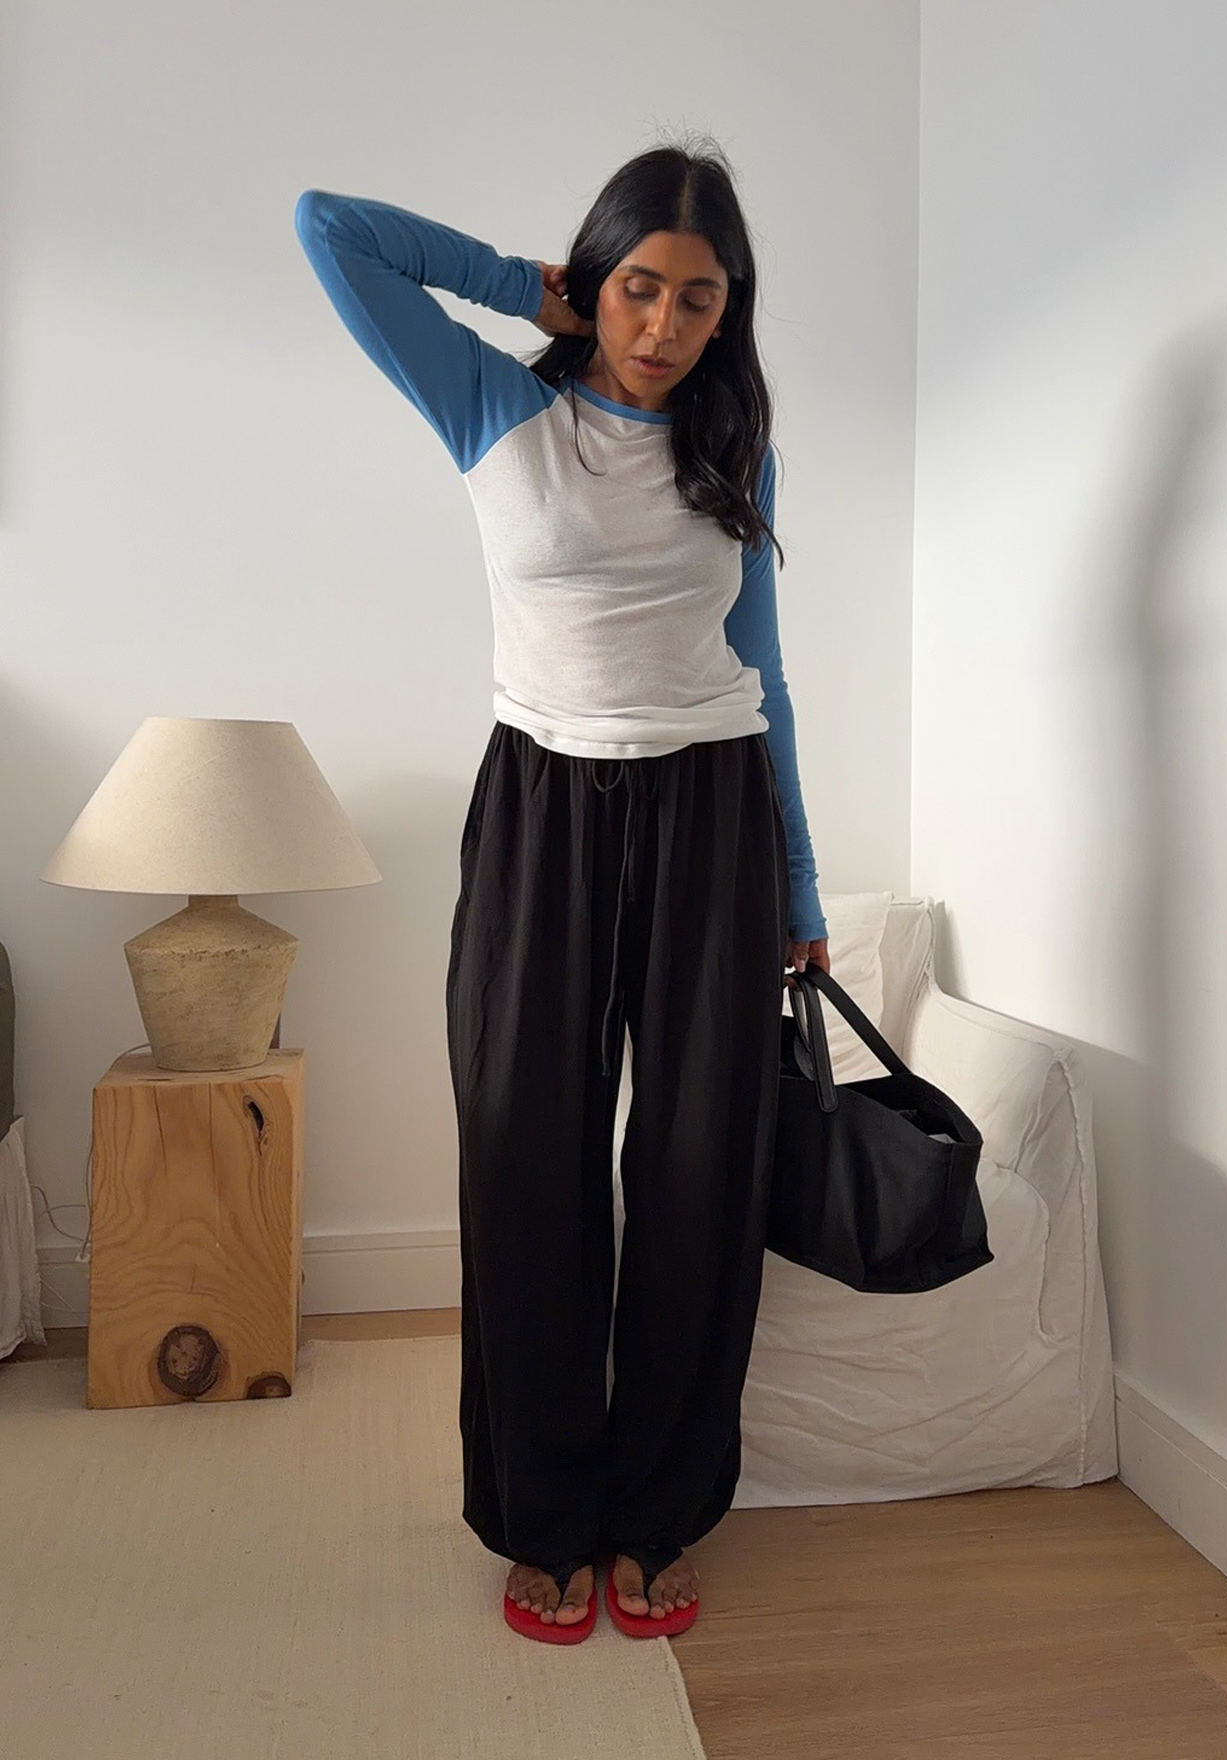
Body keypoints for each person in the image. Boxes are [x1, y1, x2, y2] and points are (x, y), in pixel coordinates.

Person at [294, 135, 831, 1641]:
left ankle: (657, 1515)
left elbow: (766, 676)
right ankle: (544, 1513)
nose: (664, 327)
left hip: (715, 814)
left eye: (699, 300)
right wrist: (516, 282)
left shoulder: (737, 451)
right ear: (599, 283)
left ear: (731, 315)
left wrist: (795, 880)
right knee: (527, 1157)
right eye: (640, 289)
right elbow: (328, 223)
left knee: (694, 1169)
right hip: (539, 803)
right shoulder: (493, 404)